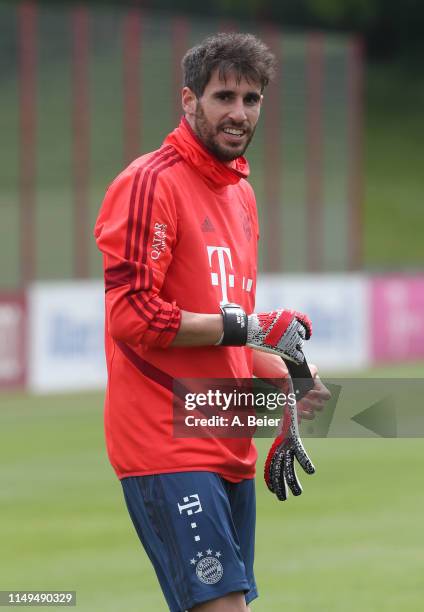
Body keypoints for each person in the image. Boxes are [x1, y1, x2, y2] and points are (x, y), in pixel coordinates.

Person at [94, 32, 329, 612]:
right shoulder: (152, 182)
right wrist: (248, 329)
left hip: (224, 435)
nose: (239, 113)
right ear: (188, 100)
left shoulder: (241, 196)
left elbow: (225, 339)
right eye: (224, 96)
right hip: (164, 438)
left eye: (251, 99)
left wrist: (284, 377)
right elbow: (133, 315)